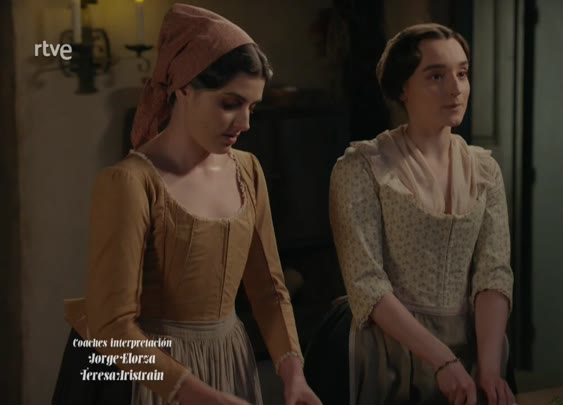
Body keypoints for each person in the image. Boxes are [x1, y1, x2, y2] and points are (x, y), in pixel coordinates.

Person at [52, 4, 321, 405]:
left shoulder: (248, 170)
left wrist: (293, 375)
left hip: (227, 361)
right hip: (153, 376)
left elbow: (269, 290)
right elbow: (112, 328)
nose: (245, 123)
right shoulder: (131, 182)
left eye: (252, 106)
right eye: (230, 103)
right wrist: (197, 395)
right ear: (184, 89)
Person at [304, 23, 516, 405]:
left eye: (462, 73)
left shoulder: (485, 170)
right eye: (436, 76)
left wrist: (489, 367)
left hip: (474, 344)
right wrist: (440, 359)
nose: (455, 89)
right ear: (403, 88)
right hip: (389, 349)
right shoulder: (363, 168)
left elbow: (493, 273)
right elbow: (367, 283)